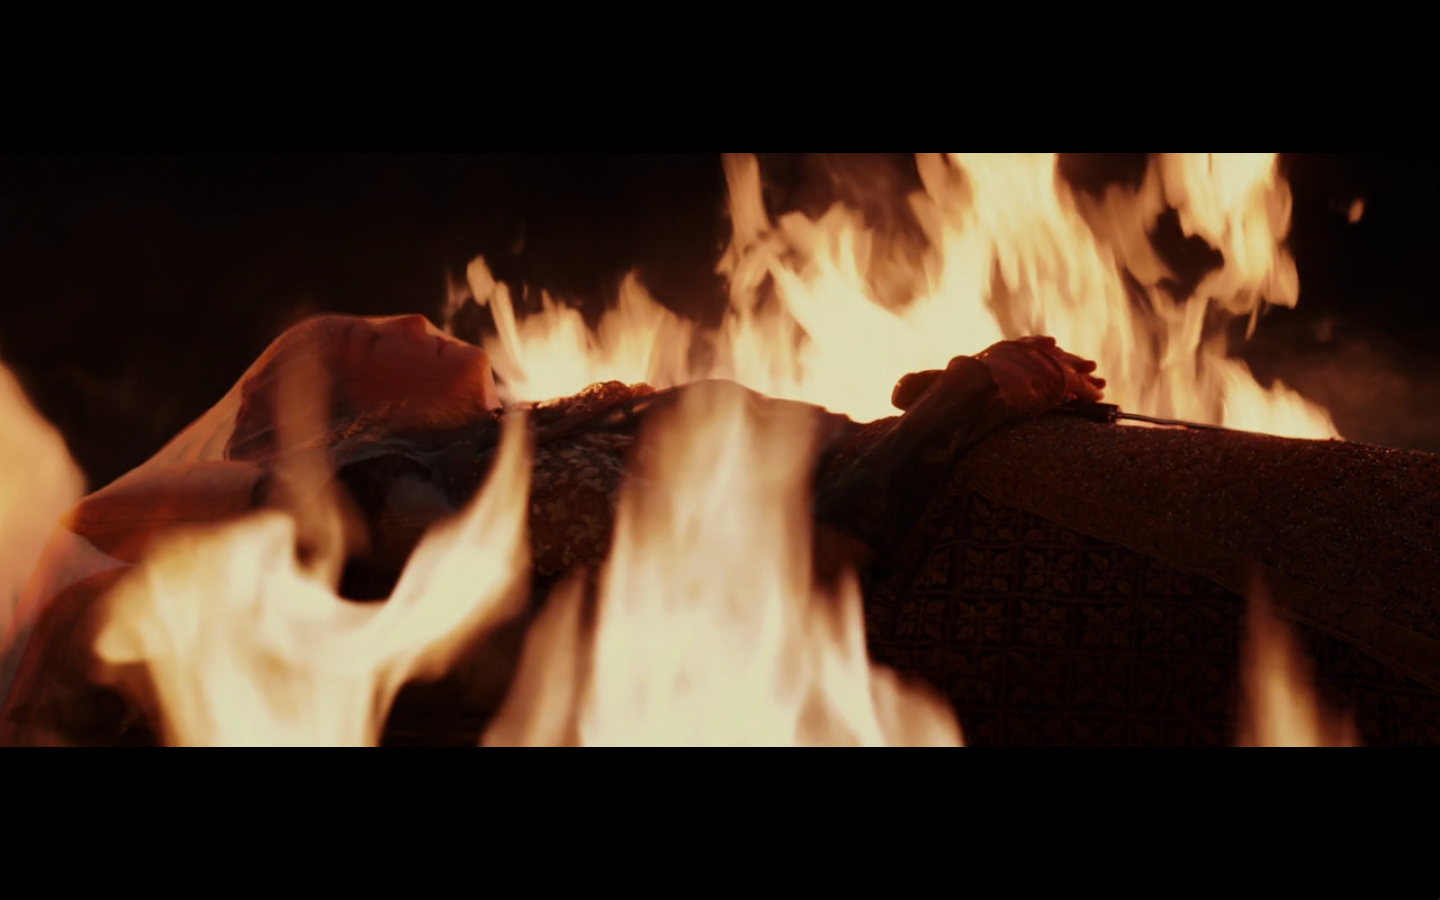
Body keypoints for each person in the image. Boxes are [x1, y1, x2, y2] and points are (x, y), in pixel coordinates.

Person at [0, 313, 1105, 746]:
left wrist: (940, 404)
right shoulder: (419, 488)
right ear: (348, 413)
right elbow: (787, 580)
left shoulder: (540, 433)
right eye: (367, 338)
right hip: (968, 582)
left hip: (990, 494)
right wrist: (968, 403)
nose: (406, 315)